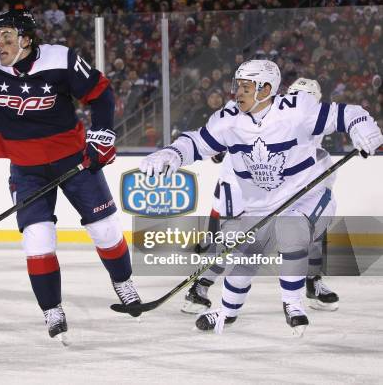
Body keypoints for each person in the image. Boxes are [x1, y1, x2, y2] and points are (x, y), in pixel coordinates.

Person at [0, 0, 141, 342]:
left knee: (105, 228)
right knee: (37, 239)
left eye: (5, 36)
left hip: (74, 160)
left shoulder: (60, 58)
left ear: (27, 38)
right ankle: (52, 309)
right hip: (26, 168)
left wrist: (102, 135)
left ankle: (123, 283)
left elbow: (101, 95)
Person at [141, 60, 383, 336]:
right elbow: (197, 141)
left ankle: (293, 304)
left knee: (291, 229)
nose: (238, 93)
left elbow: (349, 114)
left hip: (304, 196)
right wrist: (173, 152)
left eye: (246, 87)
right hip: (261, 204)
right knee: (246, 254)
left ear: (266, 88)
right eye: (237, 86)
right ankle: (226, 312)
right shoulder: (228, 118)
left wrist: (362, 127)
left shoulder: (296, 111)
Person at [183, 78, 341, 314]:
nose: (304, 103)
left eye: (310, 100)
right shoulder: (267, 111)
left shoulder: (311, 117)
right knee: (235, 241)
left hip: (280, 189)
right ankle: (200, 287)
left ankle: (312, 281)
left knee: (311, 227)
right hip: (240, 186)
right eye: (299, 97)